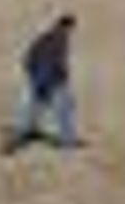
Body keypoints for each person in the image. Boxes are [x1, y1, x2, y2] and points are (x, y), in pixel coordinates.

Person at [11, 12, 81, 152]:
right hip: (52, 81)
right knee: (65, 109)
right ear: (68, 27)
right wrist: (62, 77)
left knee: (27, 109)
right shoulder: (60, 39)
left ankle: (20, 136)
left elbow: (28, 57)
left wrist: (32, 74)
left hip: (36, 78)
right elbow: (58, 62)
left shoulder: (43, 37)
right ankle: (68, 141)